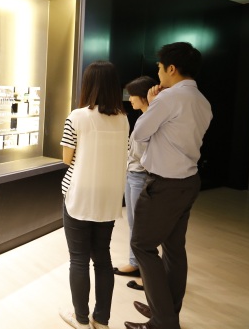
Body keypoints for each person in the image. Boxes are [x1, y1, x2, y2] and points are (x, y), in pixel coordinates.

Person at [124, 42, 212, 329]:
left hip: (164, 185)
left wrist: (151, 104)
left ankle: (163, 321)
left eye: (160, 67)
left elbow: (139, 132)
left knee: (142, 246)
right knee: (174, 249)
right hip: (188, 181)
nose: (158, 72)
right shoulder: (202, 100)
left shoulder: (168, 99)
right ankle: (166, 312)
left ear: (171, 69)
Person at [59, 61, 129, 329]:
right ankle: (102, 319)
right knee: (102, 257)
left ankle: (80, 318)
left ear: (88, 85)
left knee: (78, 258)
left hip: (79, 193)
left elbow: (67, 159)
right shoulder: (123, 119)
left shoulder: (77, 116)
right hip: (109, 196)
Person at [114, 76, 157, 291]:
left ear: (143, 95)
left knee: (140, 226)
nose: (129, 99)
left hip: (140, 175)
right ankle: (134, 263)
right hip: (133, 174)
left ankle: (143, 269)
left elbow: (144, 153)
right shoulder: (142, 117)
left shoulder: (151, 118)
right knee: (133, 223)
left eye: (132, 95)